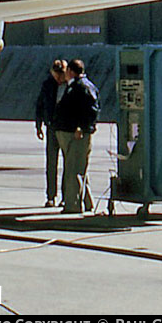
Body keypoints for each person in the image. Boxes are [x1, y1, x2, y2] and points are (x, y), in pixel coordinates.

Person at [53, 59, 100, 214]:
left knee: (74, 169)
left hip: (76, 134)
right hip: (68, 131)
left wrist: (82, 127)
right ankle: (87, 202)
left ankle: (72, 205)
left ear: (71, 71)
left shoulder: (83, 87)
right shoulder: (74, 86)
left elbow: (91, 110)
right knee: (77, 168)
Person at [35, 59, 67, 207]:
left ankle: (67, 196)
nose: (58, 78)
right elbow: (40, 103)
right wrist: (39, 124)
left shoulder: (70, 85)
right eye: (56, 75)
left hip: (66, 128)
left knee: (68, 164)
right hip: (52, 127)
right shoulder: (48, 84)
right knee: (51, 163)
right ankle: (51, 196)